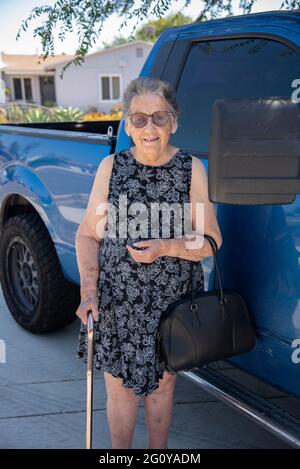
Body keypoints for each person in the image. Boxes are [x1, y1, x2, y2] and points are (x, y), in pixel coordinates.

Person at [76, 76, 222, 449]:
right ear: (127, 125)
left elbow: (210, 241)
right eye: (139, 119)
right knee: (120, 393)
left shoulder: (192, 170)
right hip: (116, 304)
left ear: (174, 122)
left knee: (160, 391)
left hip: (170, 305)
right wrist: (88, 293)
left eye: (160, 117)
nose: (150, 128)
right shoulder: (111, 168)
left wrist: (166, 246)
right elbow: (88, 235)